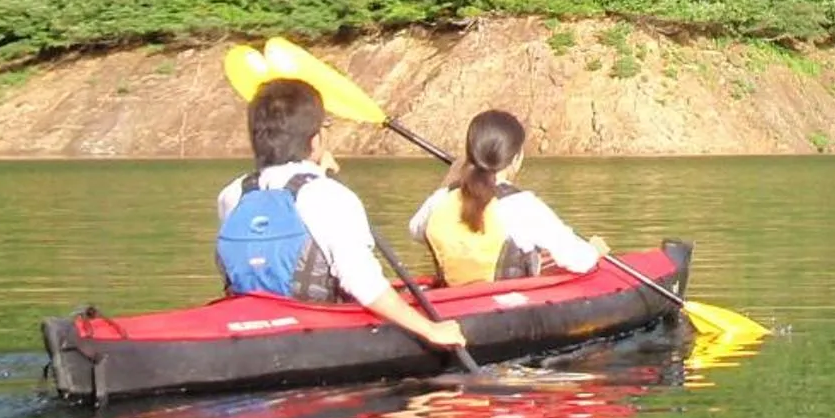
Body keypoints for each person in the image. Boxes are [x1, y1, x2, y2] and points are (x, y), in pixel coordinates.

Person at [216, 78, 465, 353]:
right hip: (318, 336)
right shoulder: (330, 196)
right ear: (317, 140)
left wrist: (316, 172)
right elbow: (363, 284)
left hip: (247, 330)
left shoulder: (233, 194)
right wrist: (431, 329)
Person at [408, 109, 606, 286]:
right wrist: (594, 250)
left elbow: (417, 231)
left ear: (468, 154)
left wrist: (451, 180)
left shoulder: (440, 200)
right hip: (507, 307)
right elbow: (579, 260)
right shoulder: (522, 206)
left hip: (450, 305)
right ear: (517, 157)